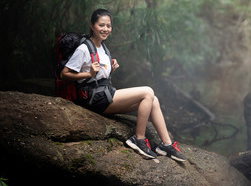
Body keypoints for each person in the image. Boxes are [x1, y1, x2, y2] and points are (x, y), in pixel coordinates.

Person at [60, 9, 187, 162]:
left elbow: (100, 74)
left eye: (108, 26)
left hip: (105, 94)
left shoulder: (102, 48)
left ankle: (166, 145)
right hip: (94, 99)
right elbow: (64, 73)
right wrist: (89, 74)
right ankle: (138, 139)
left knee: (153, 100)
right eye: (101, 25)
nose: (105, 29)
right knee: (148, 91)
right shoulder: (83, 49)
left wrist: (109, 69)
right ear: (92, 25)